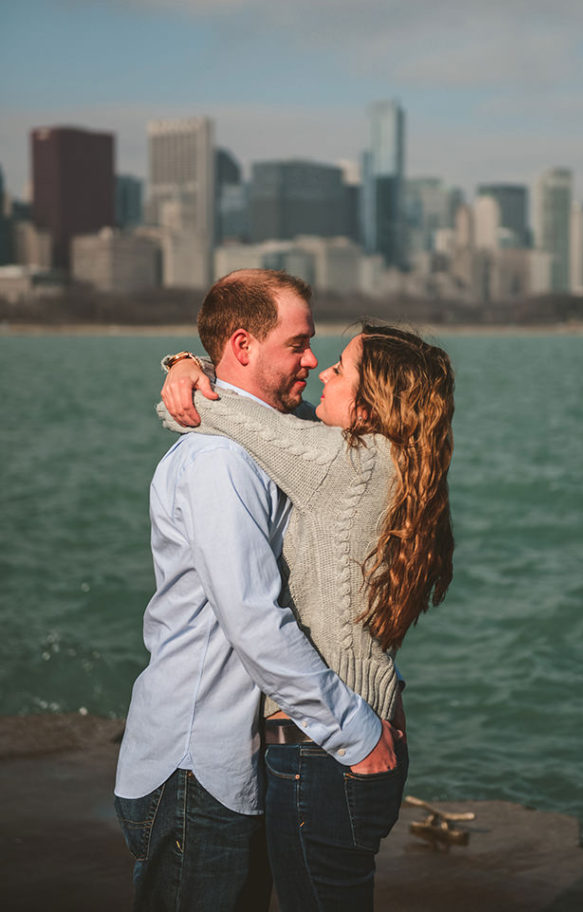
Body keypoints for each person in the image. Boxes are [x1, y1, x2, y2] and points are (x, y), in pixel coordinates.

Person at [114, 269, 399, 912]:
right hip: (196, 764)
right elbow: (256, 623)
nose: (312, 359)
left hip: (236, 766)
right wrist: (357, 733)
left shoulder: (275, 442)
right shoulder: (220, 464)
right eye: (298, 344)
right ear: (242, 346)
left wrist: (187, 366)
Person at [159, 317, 455, 911]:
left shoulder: (340, 466)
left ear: (370, 405)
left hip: (326, 748)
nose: (323, 369)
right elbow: (263, 426)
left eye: (342, 370)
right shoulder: (396, 462)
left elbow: (206, 412)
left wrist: (180, 368)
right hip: (371, 723)